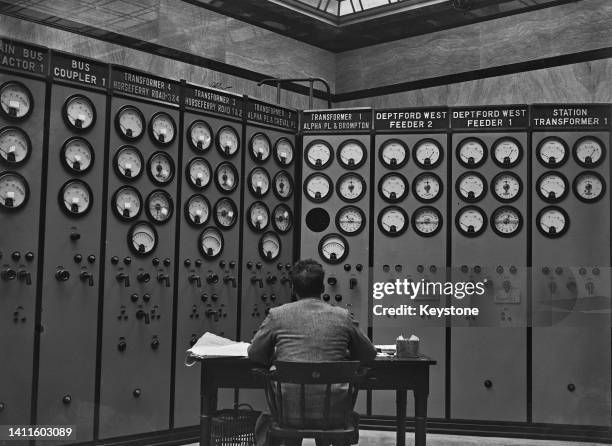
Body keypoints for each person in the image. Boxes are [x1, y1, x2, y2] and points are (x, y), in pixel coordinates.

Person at [248, 258, 377, 446]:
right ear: (322, 288)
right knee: (334, 414)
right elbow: (369, 354)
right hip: (334, 412)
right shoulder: (342, 316)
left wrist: (276, 355)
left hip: (288, 412)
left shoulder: (277, 315)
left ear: (293, 288)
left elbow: (255, 354)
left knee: (269, 418)